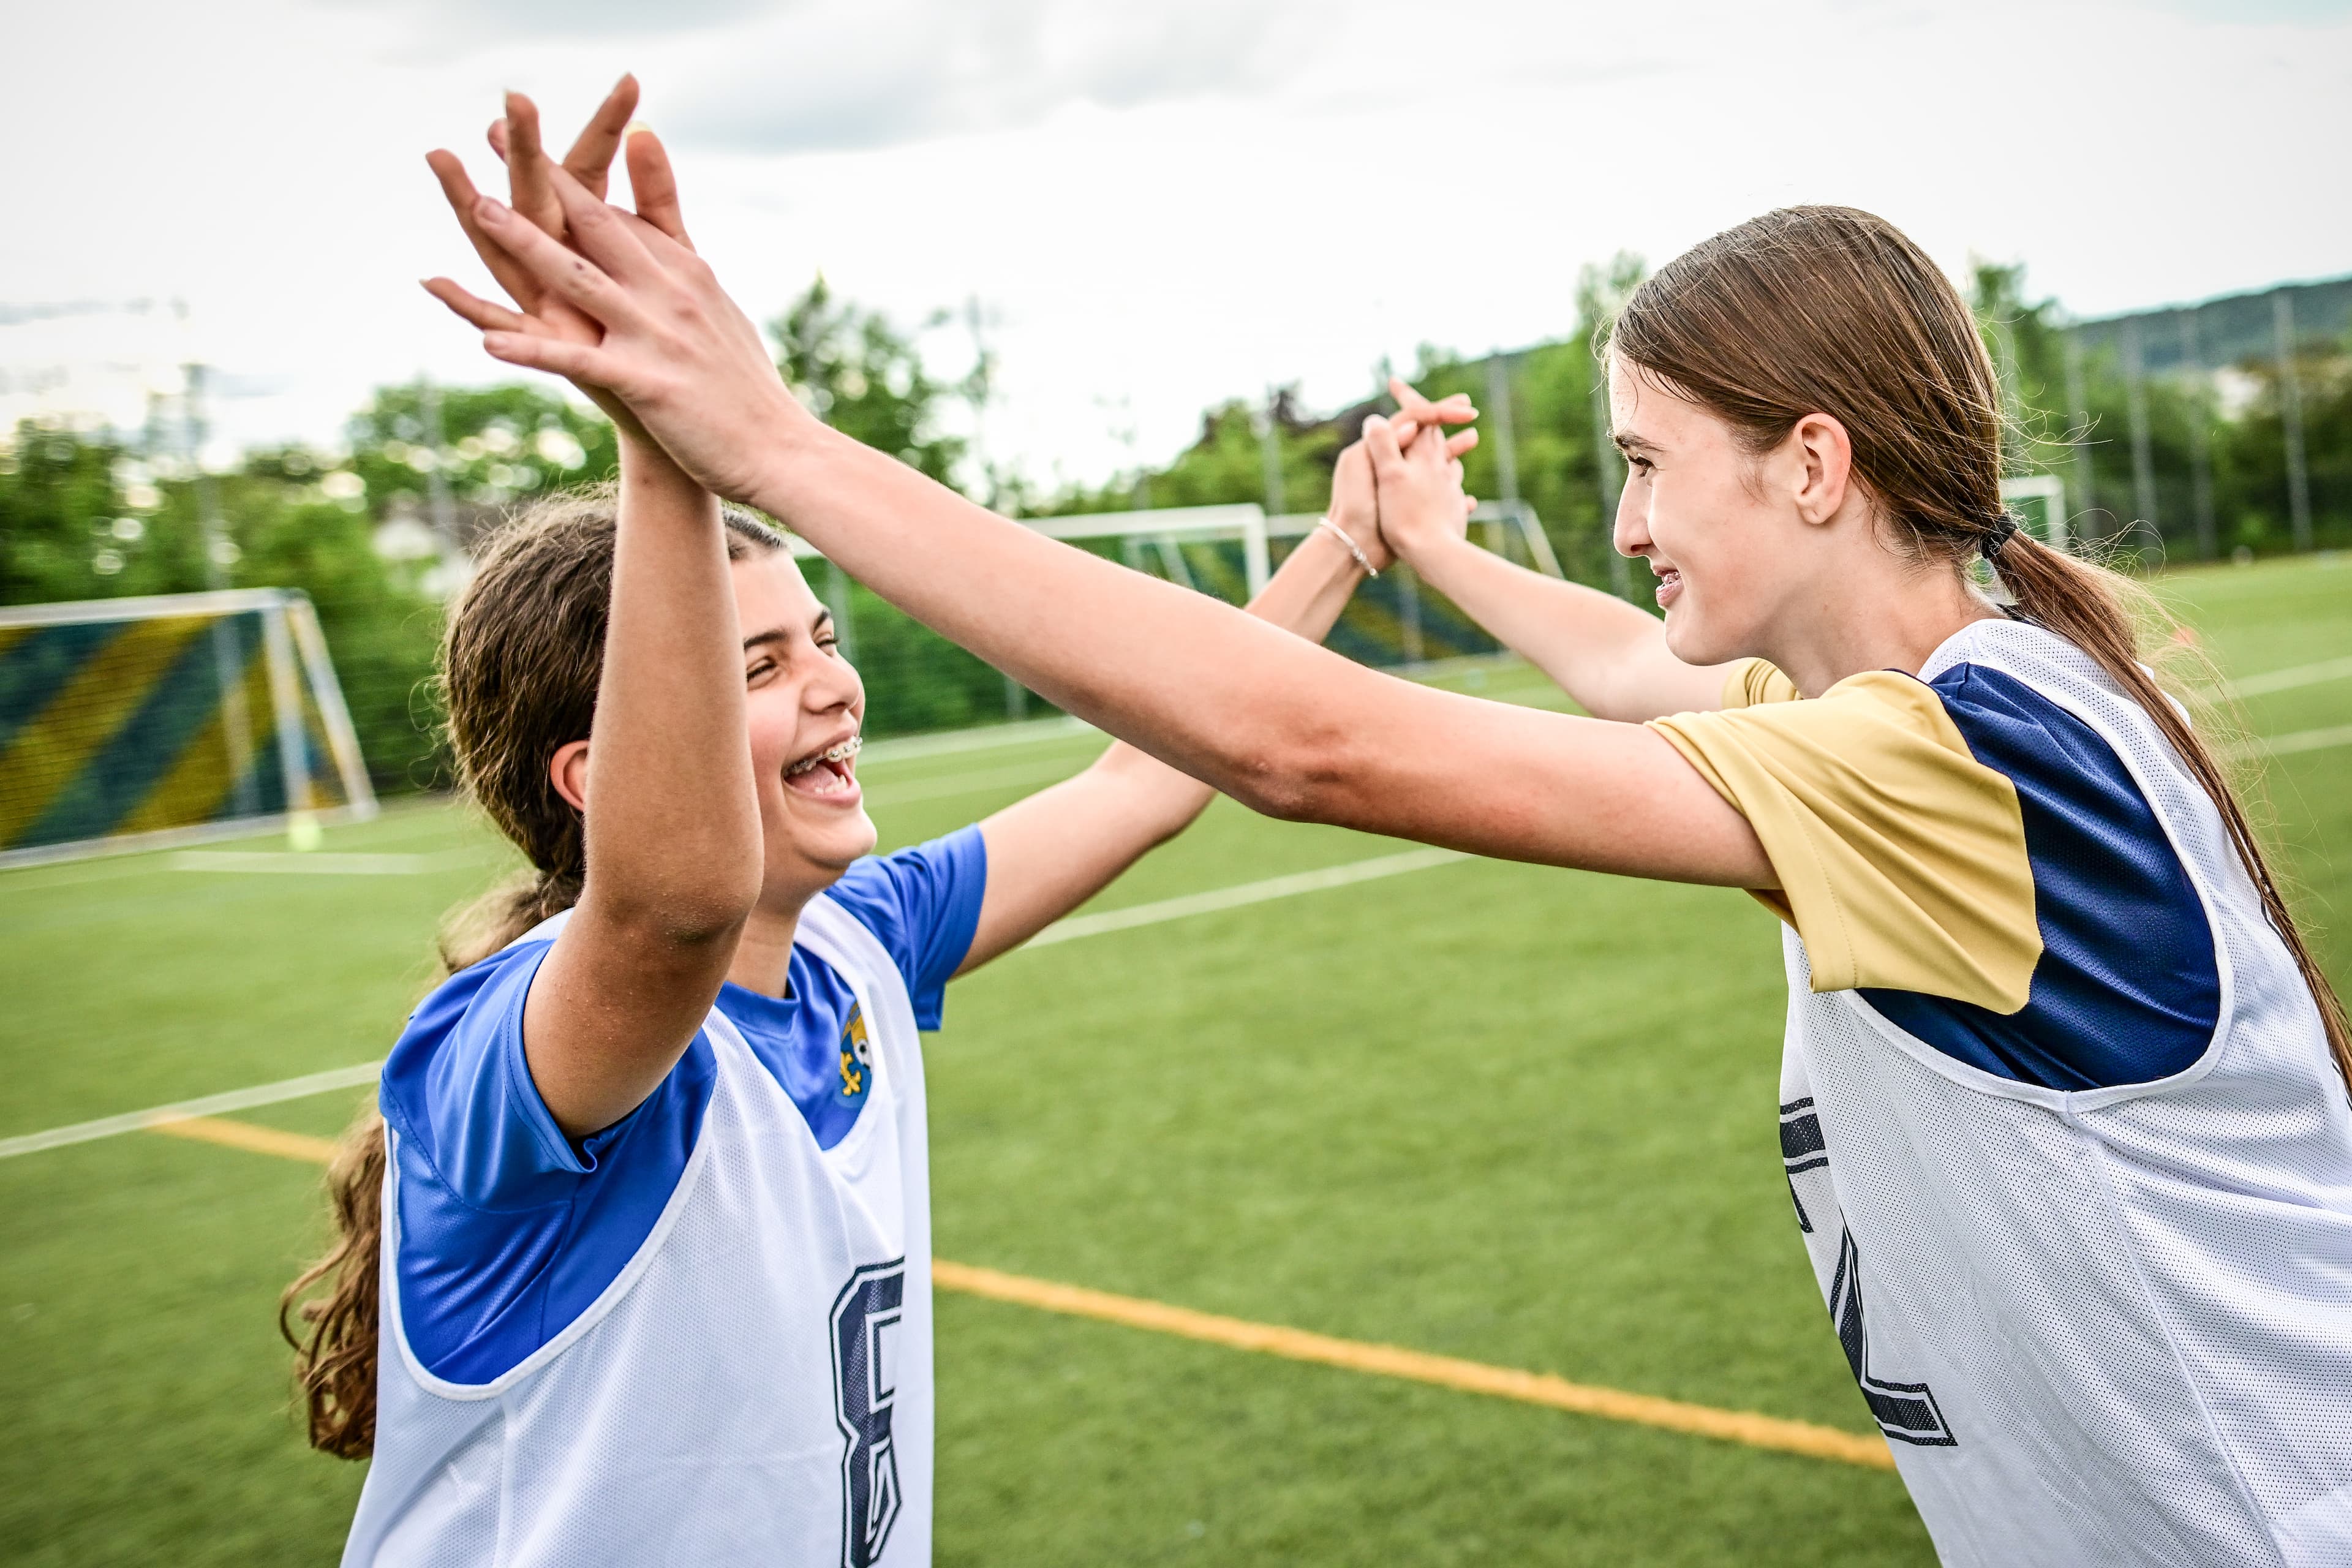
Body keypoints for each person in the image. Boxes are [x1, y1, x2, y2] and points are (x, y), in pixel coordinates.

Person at [434, 118, 2352, 1564]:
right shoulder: (1936, 726)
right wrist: (1414, 549)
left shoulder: (1954, 773)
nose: (1624, 527)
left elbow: (1305, 749)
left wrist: (772, 448)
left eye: (1641, 465)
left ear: (1817, 464)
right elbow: (1619, 669)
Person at [283, 82, 1477, 1568]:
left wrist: (1349, 537)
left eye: (820, 636)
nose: (836, 688)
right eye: (758, 668)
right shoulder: (513, 1055)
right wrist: (673, 442)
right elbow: (669, 908)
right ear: (596, 772)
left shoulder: (854, 943)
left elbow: (1143, 778)